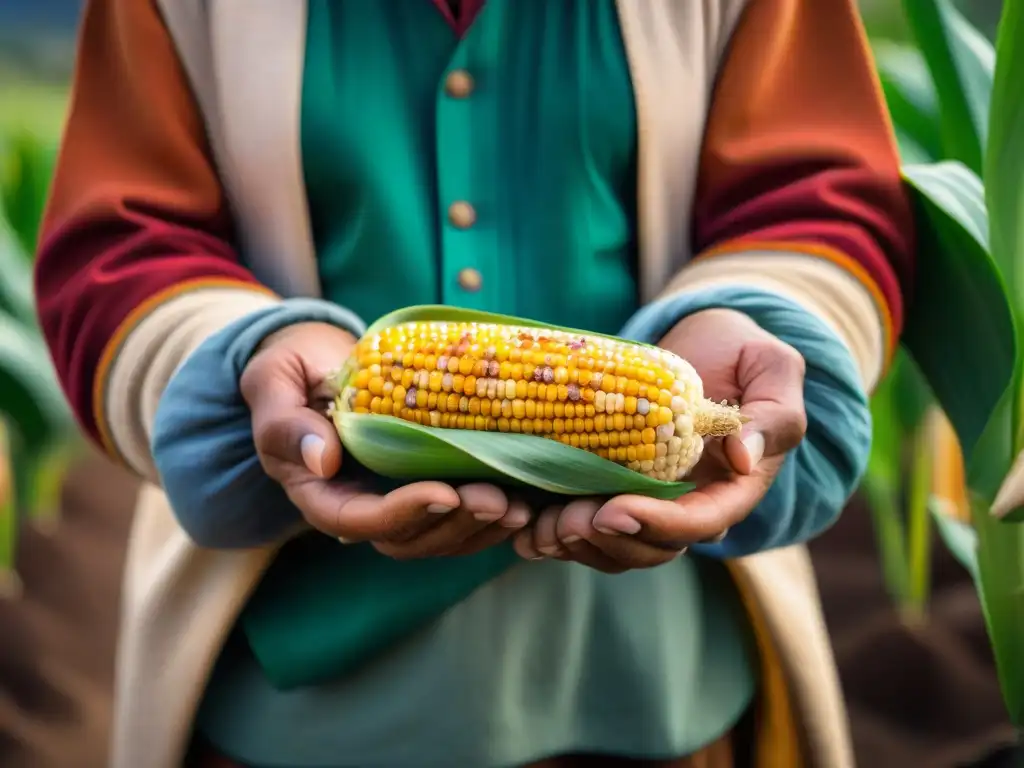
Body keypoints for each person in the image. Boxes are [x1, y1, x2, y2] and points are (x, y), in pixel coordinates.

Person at [34, 0, 914, 766]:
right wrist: (249, 355)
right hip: (296, 692)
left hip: (654, 670)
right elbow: (122, 242)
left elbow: (812, 197)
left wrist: (751, 328)